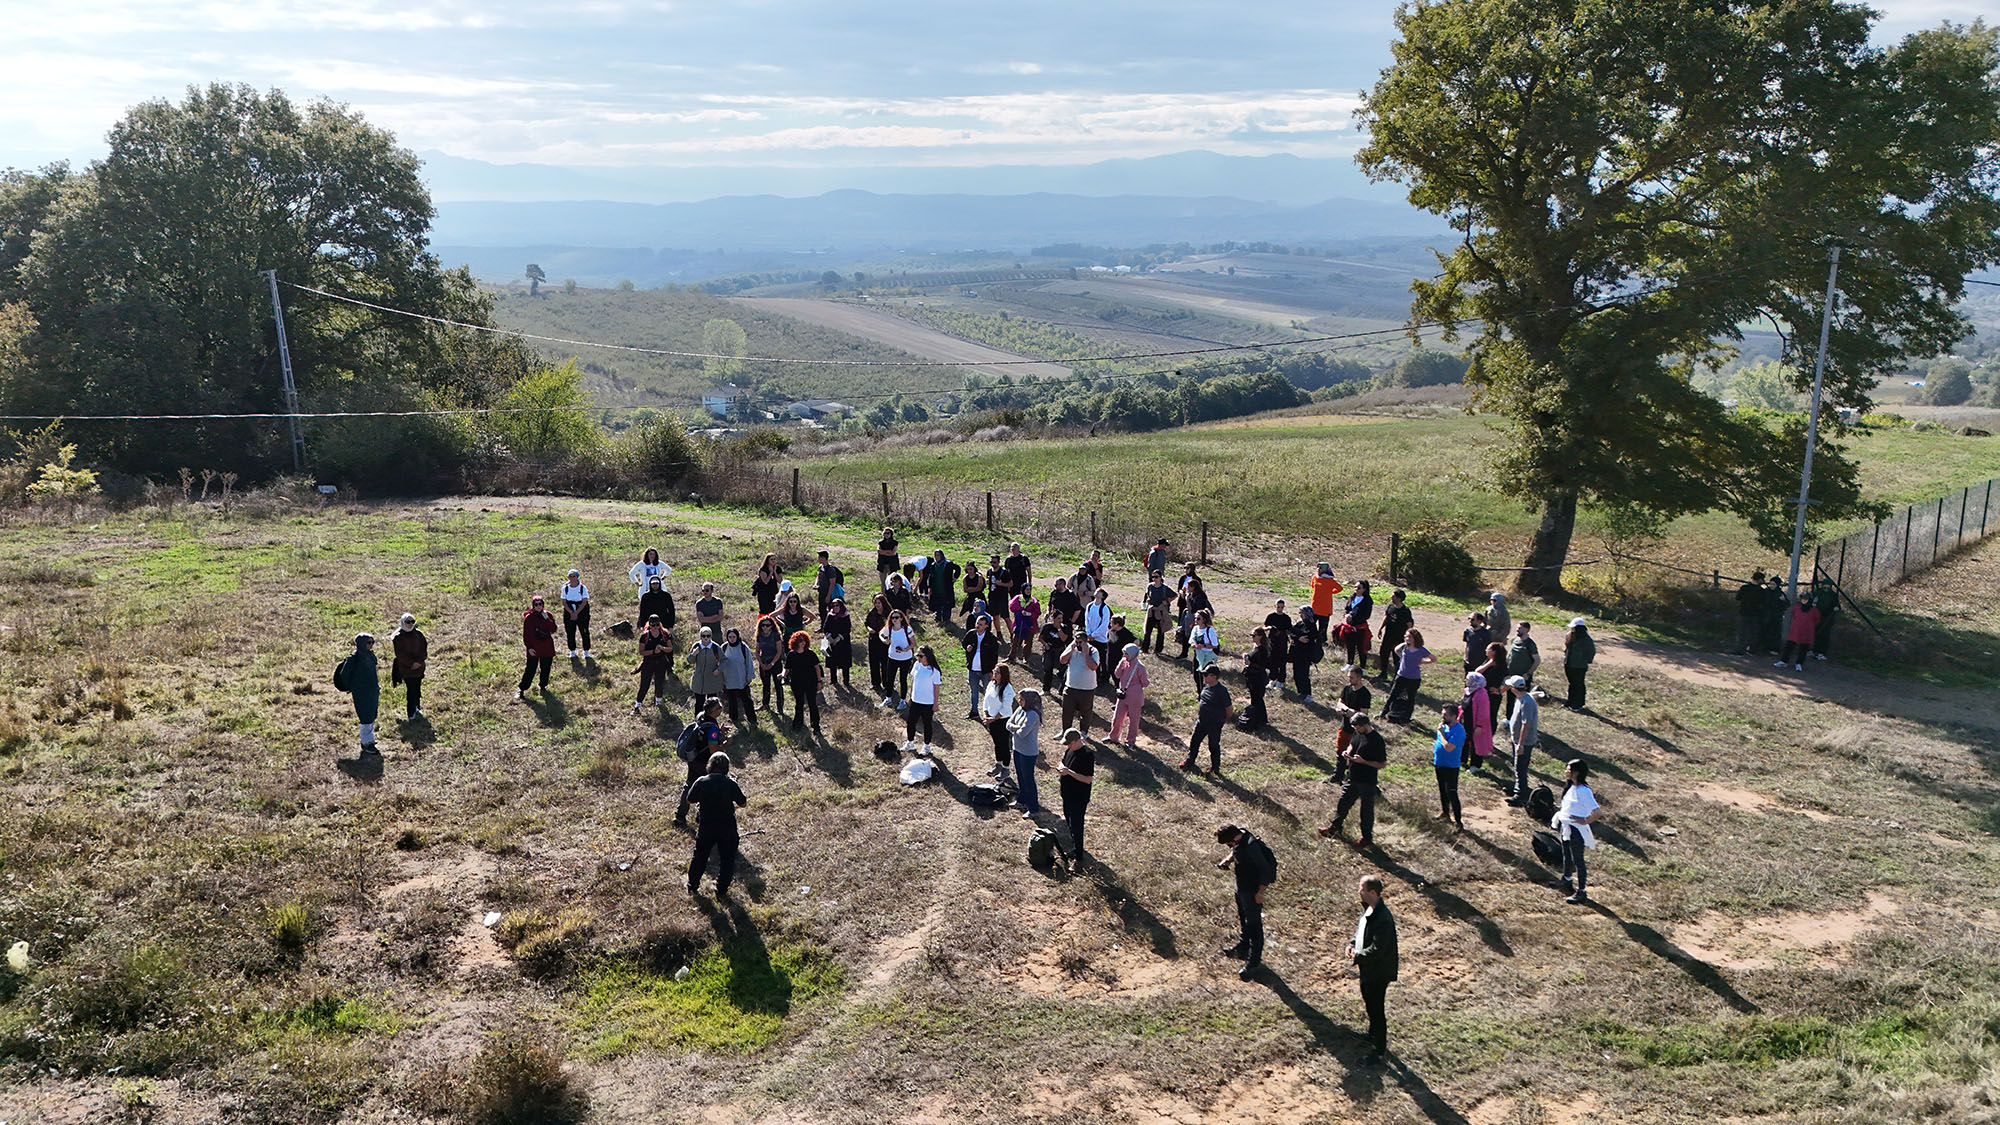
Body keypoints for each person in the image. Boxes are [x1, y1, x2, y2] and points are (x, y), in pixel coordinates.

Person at [1215, 823, 1277, 980]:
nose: (1230, 846)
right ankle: (1243, 947)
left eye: (1230, 843)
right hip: (1242, 887)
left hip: (1253, 890)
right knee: (1244, 918)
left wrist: (1260, 893)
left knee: (1255, 925)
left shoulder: (1251, 847)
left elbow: (1266, 871)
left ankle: (1254, 963)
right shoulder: (1241, 835)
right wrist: (1228, 860)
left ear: (1235, 837)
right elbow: (1235, 850)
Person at [1351, 874, 1399, 1065]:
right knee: (1369, 1002)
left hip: (1378, 971)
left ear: (1372, 892)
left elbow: (1378, 949)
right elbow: (1361, 934)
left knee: (1376, 1008)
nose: (1358, 892)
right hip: (1369, 968)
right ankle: (1372, 1035)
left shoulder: (1383, 918)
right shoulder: (1370, 910)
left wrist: (1357, 956)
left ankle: (1379, 1051)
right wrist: (1352, 944)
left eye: (1361, 888)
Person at [685, 751, 747, 897]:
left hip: (707, 826)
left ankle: (692, 885)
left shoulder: (701, 781)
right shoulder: (730, 783)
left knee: (700, 856)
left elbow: (689, 800)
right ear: (727, 767)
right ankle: (721, 889)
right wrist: (734, 785)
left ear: (710, 765)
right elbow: (743, 803)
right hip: (727, 827)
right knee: (727, 859)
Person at [1320, 713, 1385, 847]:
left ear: (1365, 725)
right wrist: (1347, 753)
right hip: (1352, 777)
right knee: (1343, 803)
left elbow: (1382, 764)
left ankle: (1366, 838)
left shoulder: (1377, 740)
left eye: (1357, 727)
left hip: (1367, 781)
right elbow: (1352, 744)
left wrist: (1363, 761)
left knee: (1366, 811)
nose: (1355, 730)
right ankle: (1334, 828)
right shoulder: (1357, 733)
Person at [1554, 759, 1602, 904]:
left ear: (1576, 772)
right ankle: (1566, 881)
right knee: (1567, 855)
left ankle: (1581, 891)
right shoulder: (1570, 787)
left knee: (1578, 860)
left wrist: (1585, 821)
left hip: (1576, 829)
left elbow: (1597, 812)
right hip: (1566, 826)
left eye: (1568, 769)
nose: (1566, 771)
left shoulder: (1584, 791)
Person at [337, 632, 381, 756]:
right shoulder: (354, 658)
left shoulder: (370, 655)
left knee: (372, 715)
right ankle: (366, 743)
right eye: (368, 642)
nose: (371, 645)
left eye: (372, 642)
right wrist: (351, 687)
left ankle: (370, 740)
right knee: (365, 716)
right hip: (361, 691)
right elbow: (344, 674)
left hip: (372, 690)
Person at [1184, 665, 1231, 774]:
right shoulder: (1206, 686)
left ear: (1214, 676)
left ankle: (1215, 767)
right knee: (1194, 741)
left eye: (1206, 674)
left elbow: (1229, 709)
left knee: (1213, 745)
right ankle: (1190, 761)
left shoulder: (1222, 691)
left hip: (1214, 724)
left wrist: (1223, 719)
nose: (1203, 676)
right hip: (1202, 721)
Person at [1380, 628, 1434, 723]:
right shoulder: (1405, 647)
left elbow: (1433, 658)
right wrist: (1404, 647)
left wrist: (1422, 662)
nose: (1407, 638)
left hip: (1414, 678)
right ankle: (1383, 713)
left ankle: (1407, 717)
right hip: (1401, 676)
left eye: (1409, 636)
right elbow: (1396, 650)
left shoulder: (1421, 650)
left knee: (1410, 698)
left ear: (1415, 638)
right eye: (1406, 636)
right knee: (1393, 695)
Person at [1056, 726, 1094, 858]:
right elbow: (1063, 762)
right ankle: (1075, 845)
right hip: (1067, 794)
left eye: (1070, 743)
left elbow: (1088, 779)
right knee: (1069, 820)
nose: (1068, 746)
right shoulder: (1069, 750)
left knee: (1077, 825)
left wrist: (1069, 773)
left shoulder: (1087, 755)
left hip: (1078, 797)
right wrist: (1061, 767)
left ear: (1078, 741)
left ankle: (1079, 856)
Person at [1503, 676, 1540, 804]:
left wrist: (1521, 744)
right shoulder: (1521, 698)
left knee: (1520, 767)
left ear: (1514, 688)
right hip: (1518, 740)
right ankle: (1517, 787)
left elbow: (1527, 724)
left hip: (1524, 742)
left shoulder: (1527, 703)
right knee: (1517, 765)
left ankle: (1521, 795)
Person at [1009, 689, 1044, 818]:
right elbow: (1008, 724)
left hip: (1028, 753)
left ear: (1028, 700)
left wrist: (1014, 727)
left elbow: (1022, 733)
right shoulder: (1020, 709)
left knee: (1028, 779)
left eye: (1022, 699)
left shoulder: (1033, 715)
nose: (1019, 701)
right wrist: (1015, 727)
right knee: (1020, 776)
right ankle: (1022, 800)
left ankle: (1033, 808)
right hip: (1017, 749)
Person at [1059, 629, 1101, 736]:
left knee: (1085, 712)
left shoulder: (1093, 651)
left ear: (1086, 642)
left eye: (1080, 642)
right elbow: (1062, 660)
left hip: (1087, 688)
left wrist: (1086, 654)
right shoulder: (1072, 647)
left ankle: (1083, 732)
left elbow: (1093, 667)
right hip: (1071, 686)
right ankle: (1065, 731)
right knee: (1067, 711)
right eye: (1076, 641)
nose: (1078, 644)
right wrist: (1071, 649)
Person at [980, 662, 1017, 781]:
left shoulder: (1007, 689)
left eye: (997, 672)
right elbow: (986, 699)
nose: (994, 674)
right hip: (992, 720)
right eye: (994, 671)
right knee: (997, 743)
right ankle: (998, 764)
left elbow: (1006, 707)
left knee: (1004, 745)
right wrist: (986, 713)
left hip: (1003, 720)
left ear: (1003, 674)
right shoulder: (991, 684)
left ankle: (1005, 769)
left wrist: (994, 717)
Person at [1108, 642, 1149, 750]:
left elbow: (1145, 683)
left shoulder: (1140, 667)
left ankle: (1130, 741)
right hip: (1123, 695)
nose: (1124, 656)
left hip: (1134, 698)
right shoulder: (1123, 662)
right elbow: (1117, 675)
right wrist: (1120, 665)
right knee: (1117, 718)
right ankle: (1113, 737)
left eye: (1126, 654)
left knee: (1133, 721)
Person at [1432, 703, 1466, 828]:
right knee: (1442, 790)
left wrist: (1440, 733)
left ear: (1454, 716)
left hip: (1451, 766)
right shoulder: (1444, 727)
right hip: (1439, 763)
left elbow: (1449, 747)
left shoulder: (1459, 730)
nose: (1443, 717)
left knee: (1452, 793)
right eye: (1442, 714)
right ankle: (1445, 813)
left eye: (1445, 715)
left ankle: (1458, 821)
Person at [517, 596, 557, 699]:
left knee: (546, 668)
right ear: (533, 606)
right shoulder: (529, 618)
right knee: (530, 669)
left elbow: (553, 629)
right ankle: (522, 689)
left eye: (540, 604)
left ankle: (543, 686)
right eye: (536, 604)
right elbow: (526, 635)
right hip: (534, 648)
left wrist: (547, 619)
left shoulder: (548, 615)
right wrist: (529, 647)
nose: (538, 606)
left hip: (547, 647)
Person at [905, 645, 942, 754]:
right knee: (911, 722)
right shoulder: (917, 665)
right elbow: (913, 680)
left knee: (927, 724)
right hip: (915, 700)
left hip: (927, 703)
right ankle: (910, 743)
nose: (918, 658)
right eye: (917, 656)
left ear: (927, 656)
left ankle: (926, 746)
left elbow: (936, 688)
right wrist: (911, 694)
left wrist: (935, 704)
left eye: (921, 656)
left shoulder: (934, 671)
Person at [390, 613, 427, 720]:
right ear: (403, 622)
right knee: (411, 690)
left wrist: (419, 661)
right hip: (407, 669)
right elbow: (401, 655)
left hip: (419, 668)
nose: (410, 624)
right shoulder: (398, 637)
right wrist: (412, 664)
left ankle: (417, 708)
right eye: (408, 622)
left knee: (417, 688)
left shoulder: (419, 634)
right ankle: (411, 714)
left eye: (412, 622)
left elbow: (424, 649)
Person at [785, 630, 823, 734]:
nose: (802, 643)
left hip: (810, 682)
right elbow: (787, 668)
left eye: (804, 641)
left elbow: (817, 668)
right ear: (795, 642)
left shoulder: (810, 654)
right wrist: (782, 675)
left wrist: (819, 681)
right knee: (799, 704)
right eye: (800, 641)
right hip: (797, 683)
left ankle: (816, 726)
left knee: (812, 704)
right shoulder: (791, 655)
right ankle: (798, 724)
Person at [634, 615, 674, 713]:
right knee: (644, 684)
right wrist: (653, 652)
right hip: (648, 662)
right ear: (649, 625)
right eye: (653, 625)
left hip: (661, 662)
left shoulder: (665, 634)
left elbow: (670, 648)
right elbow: (641, 652)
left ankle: (658, 702)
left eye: (657, 625)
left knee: (660, 683)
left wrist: (662, 648)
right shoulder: (644, 636)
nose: (655, 627)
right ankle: (638, 705)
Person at [1237, 627, 1275, 731]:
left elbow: (1263, 665)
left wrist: (1250, 664)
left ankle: (1258, 720)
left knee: (1257, 699)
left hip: (1258, 677)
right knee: (1256, 698)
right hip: (1252, 677)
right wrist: (1246, 656)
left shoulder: (1262, 650)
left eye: (1254, 636)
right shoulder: (1256, 648)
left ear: (1260, 636)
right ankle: (1261, 720)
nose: (1252, 638)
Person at [964, 614, 1001, 718]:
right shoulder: (971, 634)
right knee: (974, 692)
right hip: (972, 669)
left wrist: (992, 671)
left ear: (986, 626)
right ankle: (974, 711)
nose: (978, 626)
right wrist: (967, 648)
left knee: (988, 693)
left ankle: (989, 713)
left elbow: (994, 656)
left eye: (980, 624)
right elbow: (964, 643)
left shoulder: (991, 638)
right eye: (977, 623)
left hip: (985, 671)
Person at [638, 576, 677, 676]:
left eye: (656, 583)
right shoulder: (646, 596)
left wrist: (671, 626)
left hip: (664, 626)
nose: (655, 586)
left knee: (667, 647)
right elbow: (642, 612)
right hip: (650, 626)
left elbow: (671, 611)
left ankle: (670, 668)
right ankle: (647, 667)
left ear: (660, 584)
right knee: (649, 647)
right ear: (650, 585)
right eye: (653, 584)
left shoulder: (666, 596)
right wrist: (643, 626)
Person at [718, 626, 756, 725]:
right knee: (732, 700)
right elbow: (720, 663)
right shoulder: (724, 647)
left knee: (746, 699)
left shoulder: (743, 647)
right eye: (729, 637)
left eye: (733, 637)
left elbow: (749, 662)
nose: (732, 639)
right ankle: (734, 718)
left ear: (737, 637)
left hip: (741, 678)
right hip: (729, 678)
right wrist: (720, 678)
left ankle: (752, 719)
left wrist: (749, 676)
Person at [881, 608, 917, 706]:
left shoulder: (907, 629)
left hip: (905, 658)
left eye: (896, 617)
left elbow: (914, 643)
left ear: (901, 618)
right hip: (892, 657)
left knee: (903, 679)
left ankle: (902, 700)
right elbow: (881, 634)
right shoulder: (889, 629)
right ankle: (888, 698)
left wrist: (905, 649)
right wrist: (885, 641)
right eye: (892, 617)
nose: (894, 619)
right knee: (890, 678)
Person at [1462, 671, 1495, 773]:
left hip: (1477, 724)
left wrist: (1479, 726)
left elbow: (1483, 712)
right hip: (1466, 721)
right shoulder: (1468, 691)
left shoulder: (1482, 694)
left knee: (1477, 744)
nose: (1466, 681)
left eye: (1468, 679)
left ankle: (1475, 765)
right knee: (1465, 741)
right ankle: (1462, 760)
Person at [1375, 589, 1412, 679]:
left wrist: (1409, 638)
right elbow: (1386, 617)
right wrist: (1380, 628)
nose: (1391, 598)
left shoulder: (1405, 611)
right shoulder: (1391, 607)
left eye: (1393, 596)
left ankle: (1397, 676)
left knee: (1396, 656)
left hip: (1399, 637)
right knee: (1383, 653)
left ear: (1399, 598)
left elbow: (1409, 625)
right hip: (1388, 635)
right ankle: (1383, 673)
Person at [1505, 622, 1539, 720]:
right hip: (1511, 676)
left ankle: (1523, 719)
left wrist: (1528, 673)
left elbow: (1537, 660)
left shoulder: (1530, 644)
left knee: (1523, 699)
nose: (1517, 630)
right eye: (1517, 628)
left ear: (1527, 630)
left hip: (1523, 678)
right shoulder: (1514, 640)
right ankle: (1509, 718)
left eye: (1520, 628)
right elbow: (1510, 655)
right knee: (1510, 699)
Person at [754, 614, 786, 715]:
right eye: (763, 625)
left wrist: (772, 663)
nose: (765, 627)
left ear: (772, 626)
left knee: (778, 685)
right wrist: (761, 663)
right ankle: (765, 704)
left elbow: (779, 651)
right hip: (764, 662)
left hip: (775, 663)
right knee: (765, 685)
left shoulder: (776, 635)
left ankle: (780, 707)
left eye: (767, 625)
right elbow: (757, 651)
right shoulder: (759, 636)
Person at [557, 569, 592, 659]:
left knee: (584, 631)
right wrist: (571, 612)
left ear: (577, 577)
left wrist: (577, 612)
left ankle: (586, 651)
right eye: (570, 576)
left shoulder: (582, 588)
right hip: (569, 610)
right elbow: (564, 602)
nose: (572, 578)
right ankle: (572, 650)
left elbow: (584, 601)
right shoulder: (565, 588)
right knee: (570, 631)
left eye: (574, 576)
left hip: (581, 610)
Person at [1289, 608, 1323, 701]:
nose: (1300, 615)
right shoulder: (1300, 623)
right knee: (1296, 674)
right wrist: (1298, 638)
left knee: (1304, 675)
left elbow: (1308, 637)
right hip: (1297, 653)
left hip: (1305, 655)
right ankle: (1300, 692)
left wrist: (1297, 636)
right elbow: (1292, 632)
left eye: (1302, 613)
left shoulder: (1311, 625)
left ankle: (1307, 694)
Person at [1175, 577, 1212, 660]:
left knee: (1192, 636)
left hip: (1195, 619)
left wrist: (1187, 599)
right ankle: (1185, 653)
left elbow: (1192, 609)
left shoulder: (1197, 597)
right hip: (1196, 619)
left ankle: (1190, 654)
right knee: (1187, 637)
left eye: (1189, 587)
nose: (1188, 588)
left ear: (1193, 587)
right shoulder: (1197, 595)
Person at [1779, 596, 1820, 672]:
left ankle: (1799, 663)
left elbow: (1816, 619)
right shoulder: (1797, 607)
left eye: (1806, 599)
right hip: (1796, 630)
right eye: (1803, 599)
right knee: (1789, 645)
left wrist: (1809, 625)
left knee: (1803, 648)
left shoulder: (1814, 610)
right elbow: (1794, 615)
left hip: (1807, 631)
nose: (1804, 600)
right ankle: (1784, 661)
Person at [1340, 580, 1375, 667]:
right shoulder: (1352, 597)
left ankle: (1362, 667)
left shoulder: (1367, 601)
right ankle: (1349, 663)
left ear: (1364, 589)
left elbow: (1366, 615)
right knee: (1350, 646)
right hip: (1350, 626)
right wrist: (1346, 615)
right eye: (1355, 587)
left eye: (1359, 588)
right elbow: (1347, 608)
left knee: (1361, 648)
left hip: (1360, 628)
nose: (1356, 589)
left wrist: (1354, 617)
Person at [1563, 618, 1595, 711]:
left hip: (1579, 667)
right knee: (1572, 684)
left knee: (1578, 685)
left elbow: (1591, 652)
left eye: (1573, 628)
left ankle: (1578, 704)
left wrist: (1585, 660)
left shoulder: (1586, 640)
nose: (1571, 629)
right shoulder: (1570, 636)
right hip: (1569, 664)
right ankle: (1570, 701)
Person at [822, 597, 854, 690]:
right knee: (832, 662)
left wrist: (838, 638)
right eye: (833, 605)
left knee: (845, 663)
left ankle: (846, 681)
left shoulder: (845, 615)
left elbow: (847, 629)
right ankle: (833, 680)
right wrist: (830, 637)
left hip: (843, 643)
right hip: (832, 642)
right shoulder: (830, 615)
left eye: (837, 605)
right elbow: (825, 628)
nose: (835, 607)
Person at [1083, 589, 1114, 683]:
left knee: (1103, 659)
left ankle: (1104, 677)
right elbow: (1086, 620)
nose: (1096, 592)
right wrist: (1088, 633)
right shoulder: (1089, 606)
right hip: (1090, 637)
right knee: (1092, 656)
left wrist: (1094, 635)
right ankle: (1094, 675)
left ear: (1103, 596)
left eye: (1099, 592)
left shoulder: (1104, 608)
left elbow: (1104, 624)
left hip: (1101, 639)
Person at [864, 593, 892, 698]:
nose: (877, 605)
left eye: (879, 603)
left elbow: (892, 625)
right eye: (875, 603)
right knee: (873, 662)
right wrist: (869, 629)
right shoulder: (872, 612)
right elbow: (866, 623)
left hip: (884, 641)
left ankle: (886, 684)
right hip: (873, 639)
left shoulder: (888, 613)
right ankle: (875, 683)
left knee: (885, 663)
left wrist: (885, 620)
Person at [687, 626, 724, 704]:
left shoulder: (716, 647)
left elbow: (725, 661)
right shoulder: (696, 646)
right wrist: (693, 655)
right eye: (703, 636)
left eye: (708, 635)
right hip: (699, 681)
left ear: (711, 636)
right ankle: (699, 716)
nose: (706, 638)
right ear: (700, 636)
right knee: (699, 704)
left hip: (712, 680)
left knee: (712, 706)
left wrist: (719, 669)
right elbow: (690, 661)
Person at [1141, 571, 1175, 654]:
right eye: (1153, 577)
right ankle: (1145, 648)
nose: (1154, 579)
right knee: (1148, 630)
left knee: (1161, 631)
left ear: (1160, 577)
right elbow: (1147, 595)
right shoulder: (1150, 586)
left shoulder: (1164, 588)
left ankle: (1158, 649)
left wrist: (1167, 601)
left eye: (1156, 577)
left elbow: (1174, 595)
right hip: (1151, 610)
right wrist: (1147, 601)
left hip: (1160, 611)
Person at [1734, 569, 1767, 655]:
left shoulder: (1744, 588)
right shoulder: (1762, 591)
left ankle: (1740, 649)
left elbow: (1737, 598)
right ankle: (1751, 650)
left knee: (1742, 632)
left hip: (1743, 612)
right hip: (1755, 614)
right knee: (1753, 633)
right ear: (1760, 580)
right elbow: (1764, 603)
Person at [1187, 608, 1220, 693]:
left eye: (1198, 618)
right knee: (1196, 675)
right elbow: (1191, 640)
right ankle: (1200, 692)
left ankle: (1207, 692)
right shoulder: (1195, 629)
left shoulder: (1210, 631)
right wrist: (1193, 644)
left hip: (1208, 657)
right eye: (1195, 618)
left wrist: (1203, 646)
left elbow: (1215, 645)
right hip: (1198, 655)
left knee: (1205, 676)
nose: (1195, 620)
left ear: (1204, 620)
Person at [1310, 563, 1343, 644]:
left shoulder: (1330, 580)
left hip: (1325, 608)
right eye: (1317, 568)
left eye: (1320, 568)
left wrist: (1330, 592)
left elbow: (1339, 588)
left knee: (1323, 627)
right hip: (1315, 606)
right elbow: (1312, 586)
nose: (1318, 569)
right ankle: (1311, 639)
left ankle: (1321, 642)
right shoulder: (1315, 577)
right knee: (1311, 625)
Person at [1009, 584, 1042, 663]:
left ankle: (1025, 657)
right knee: (1015, 640)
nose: (1028, 591)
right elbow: (1012, 607)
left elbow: (1038, 612)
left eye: (1029, 589)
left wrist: (1029, 614)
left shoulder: (1034, 601)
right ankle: (1011, 656)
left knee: (1028, 642)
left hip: (1030, 625)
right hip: (1019, 624)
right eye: (1026, 589)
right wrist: (1020, 611)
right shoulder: (1017, 598)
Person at [1263, 599, 1293, 686]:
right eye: (1278, 607)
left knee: (1282, 661)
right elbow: (1264, 627)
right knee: (1272, 660)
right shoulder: (1271, 616)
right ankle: (1272, 678)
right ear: (1275, 606)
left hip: (1282, 642)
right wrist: (1270, 628)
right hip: (1272, 641)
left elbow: (1289, 630)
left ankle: (1281, 681)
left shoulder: (1286, 618)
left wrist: (1283, 632)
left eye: (1281, 607)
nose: (1280, 609)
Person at [928, 550, 961, 624]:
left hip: (946, 588)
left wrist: (955, 577)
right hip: (936, 588)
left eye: (938, 555)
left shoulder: (948, 564)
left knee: (947, 604)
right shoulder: (933, 565)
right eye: (935, 555)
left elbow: (958, 568)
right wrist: (930, 587)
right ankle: (938, 618)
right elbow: (931, 577)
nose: (937, 557)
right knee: (937, 603)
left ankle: (946, 619)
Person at [1811, 580, 1839, 661]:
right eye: (1825, 586)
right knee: (1815, 633)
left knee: (1825, 635)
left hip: (1827, 618)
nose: (1826, 588)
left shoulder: (1833, 595)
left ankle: (1821, 652)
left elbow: (1837, 605)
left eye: (1828, 586)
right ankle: (1814, 650)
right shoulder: (1818, 593)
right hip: (1816, 616)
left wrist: (1836, 608)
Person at [1038, 620, 1069, 692]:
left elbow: (1064, 639)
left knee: (1063, 671)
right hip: (1049, 651)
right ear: (1054, 618)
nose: (1060, 620)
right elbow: (1040, 638)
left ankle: (1062, 689)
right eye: (1058, 618)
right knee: (1048, 670)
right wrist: (1045, 644)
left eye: (1062, 618)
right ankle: (1046, 689)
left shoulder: (1064, 627)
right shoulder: (1047, 627)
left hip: (1060, 651)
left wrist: (1059, 629)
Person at [815, 549, 842, 617]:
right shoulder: (820, 567)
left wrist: (828, 596)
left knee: (831, 610)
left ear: (823, 558)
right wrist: (816, 584)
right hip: (821, 592)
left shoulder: (830, 570)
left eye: (819, 557)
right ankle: (823, 625)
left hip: (828, 593)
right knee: (821, 609)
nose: (818, 558)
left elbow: (832, 583)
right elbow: (818, 576)